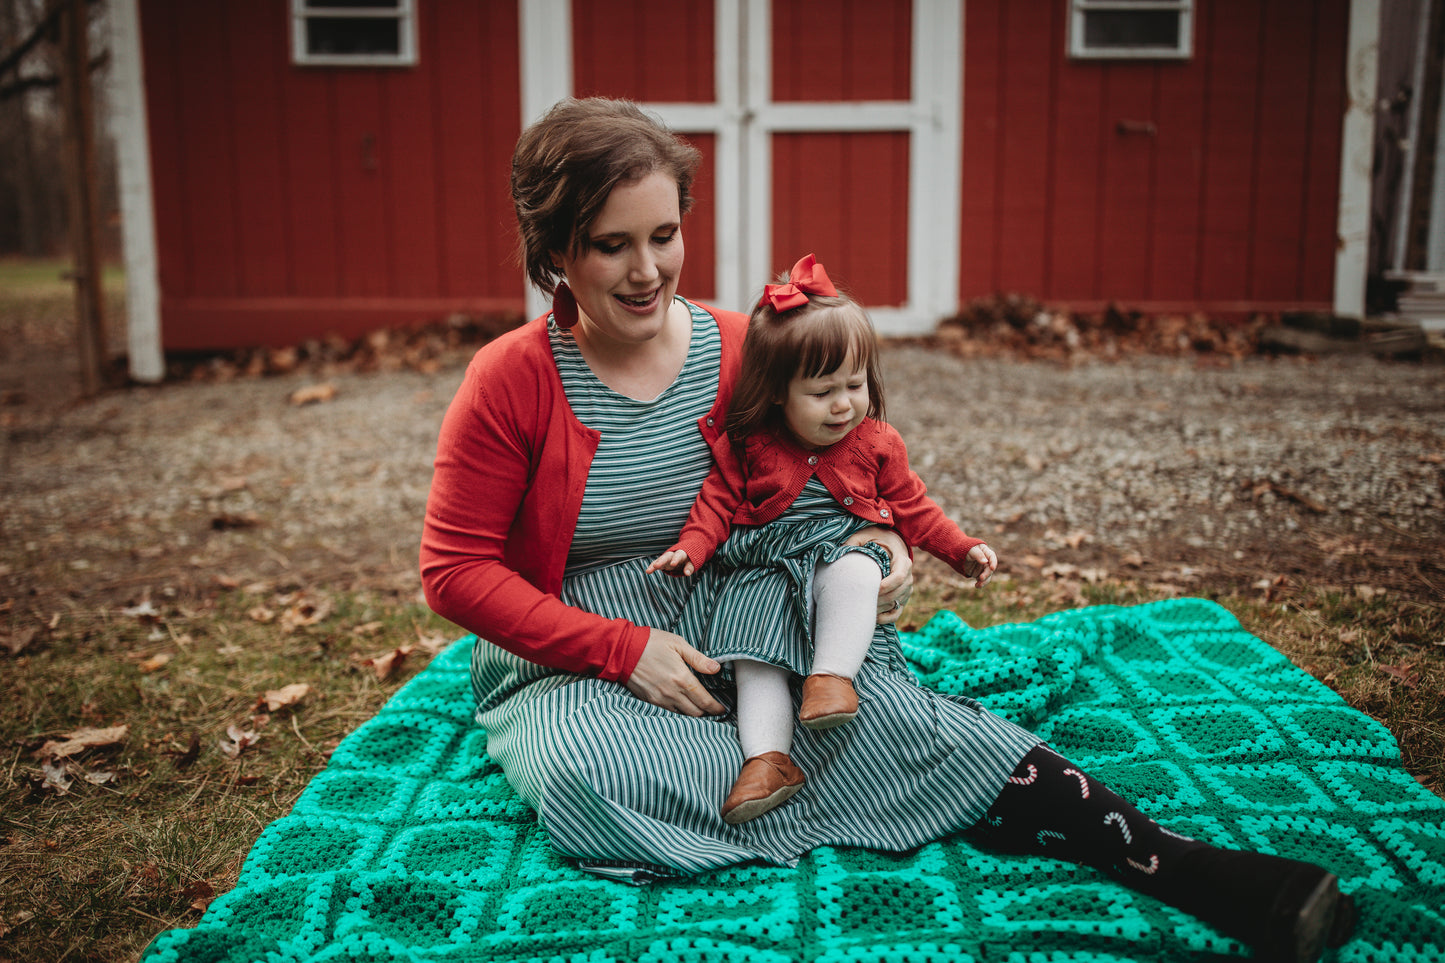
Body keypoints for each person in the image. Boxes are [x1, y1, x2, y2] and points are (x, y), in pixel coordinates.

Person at [420, 96, 1355, 963]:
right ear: (554, 252)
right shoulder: (510, 379)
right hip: (578, 643)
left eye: (664, 234)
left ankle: (1169, 859)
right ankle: (827, 788)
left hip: (754, 599)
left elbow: (846, 463)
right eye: (608, 244)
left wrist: (880, 541)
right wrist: (621, 650)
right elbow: (453, 570)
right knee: (588, 770)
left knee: (885, 716)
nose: (646, 270)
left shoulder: (747, 346)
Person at [646, 253, 1000, 825]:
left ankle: (831, 678)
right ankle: (767, 760)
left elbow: (913, 508)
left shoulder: (877, 442)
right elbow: (716, 502)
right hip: (764, 574)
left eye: (854, 385)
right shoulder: (752, 444)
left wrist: (960, 549)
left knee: (859, 569)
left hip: (838, 556)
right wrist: (693, 547)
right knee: (752, 661)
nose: (843, 404)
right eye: (821, 392)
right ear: (778, 392)